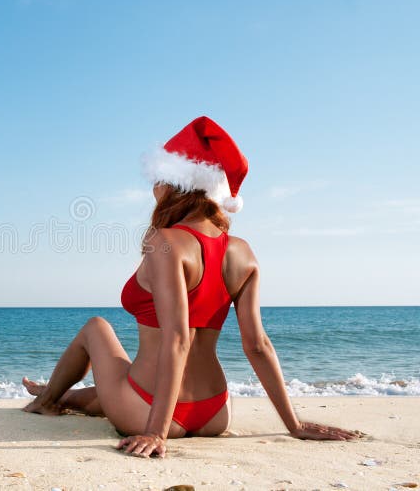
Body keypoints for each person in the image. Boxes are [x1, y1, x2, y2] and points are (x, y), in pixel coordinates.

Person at [22, 116, 365, 458]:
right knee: (113, 385)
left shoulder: (165, 243)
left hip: (153, 410)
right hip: (216, 411)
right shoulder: (242, 251)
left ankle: (48, 400)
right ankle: (59, 394)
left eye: (157, 179)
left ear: (175, 184)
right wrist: (295, 425)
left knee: (96, 328)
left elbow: (177, 338)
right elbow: (258, 345)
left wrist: (157, 432)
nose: (153, 188)